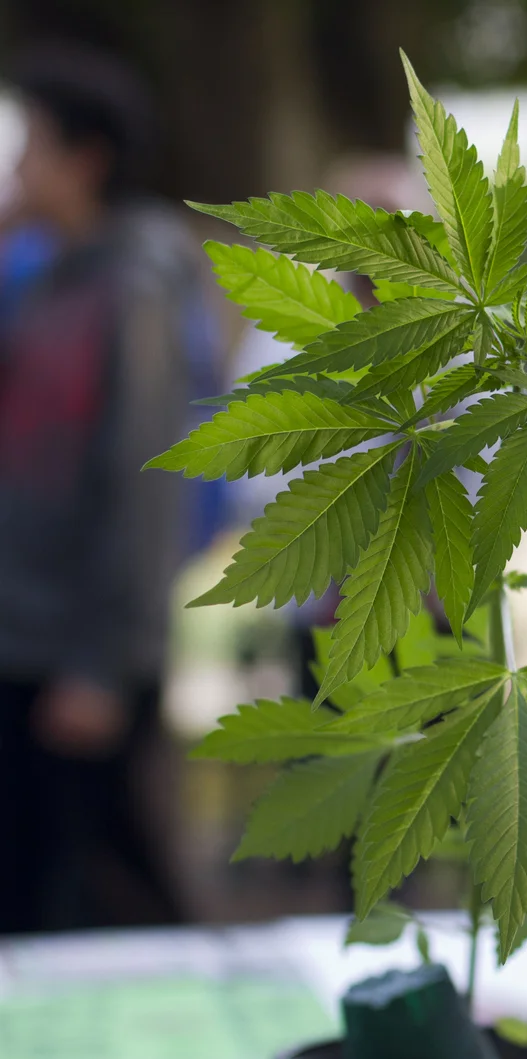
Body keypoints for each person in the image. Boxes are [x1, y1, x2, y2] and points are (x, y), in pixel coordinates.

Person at [0, 46, 203, 932]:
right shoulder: (44, 278)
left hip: (80, 654)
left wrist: (104, 664)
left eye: (30, 144)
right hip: (22, 636)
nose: (13, 167)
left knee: (104, 898)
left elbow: (145, 484)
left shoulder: (135, 289)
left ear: (87, 158)